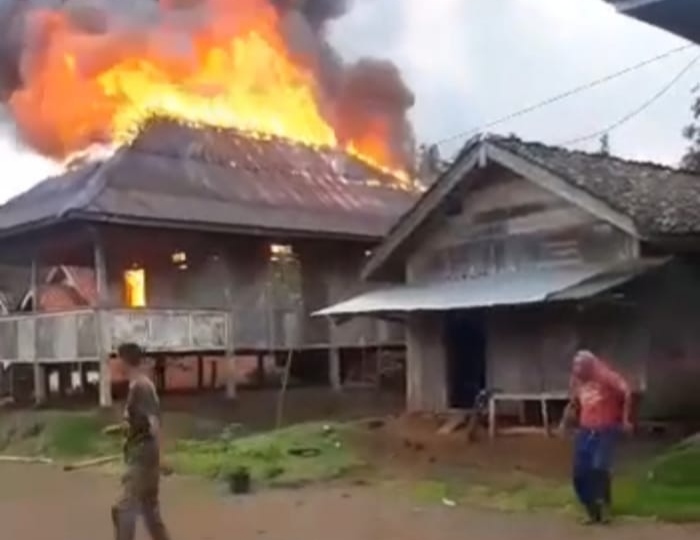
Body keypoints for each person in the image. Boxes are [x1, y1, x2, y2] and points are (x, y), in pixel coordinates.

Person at [559, 350, 632, 525]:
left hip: (606, 428)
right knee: (579, 474)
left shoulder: (606, 376)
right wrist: (564, 422)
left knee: (599, 467)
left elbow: (627, 391)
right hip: (586, 429)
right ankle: (592, 511)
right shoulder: (577, 380)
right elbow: (573, 402)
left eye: (579, 367)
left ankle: (605, 507)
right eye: (574, 367)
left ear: (589, 366)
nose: (576, 371)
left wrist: (625, 419)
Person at [109, 342, 172, 540]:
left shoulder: (141, 386)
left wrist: (161, 458)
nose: (114, 363)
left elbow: (154, 423)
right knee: (149, 511)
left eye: (116, 358)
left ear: (123, 360)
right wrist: (121, 429)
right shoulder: (137, 385)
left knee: (123, 510)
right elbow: (142, 422)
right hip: (142, 453)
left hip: (142, 457)